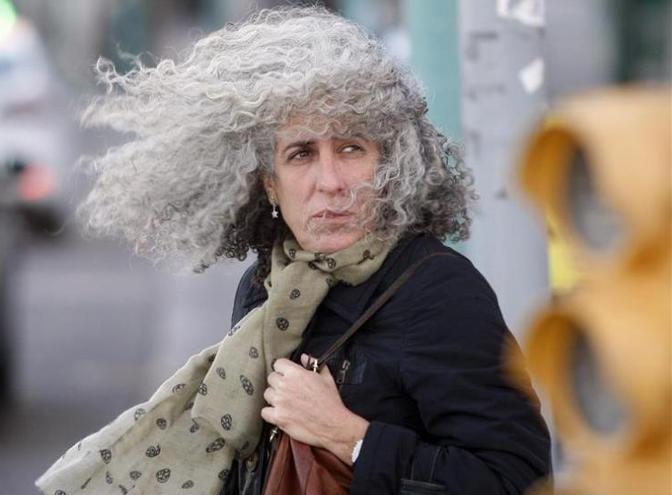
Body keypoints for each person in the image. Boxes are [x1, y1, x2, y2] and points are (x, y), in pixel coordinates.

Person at [36, 6, 551, 495]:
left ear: (390, 165)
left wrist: (352, 438)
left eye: (352, 148)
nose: (330, 182)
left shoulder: (437, 292)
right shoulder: (265, 284)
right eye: (301, 154)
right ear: (270, 185)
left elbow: (518, 479)